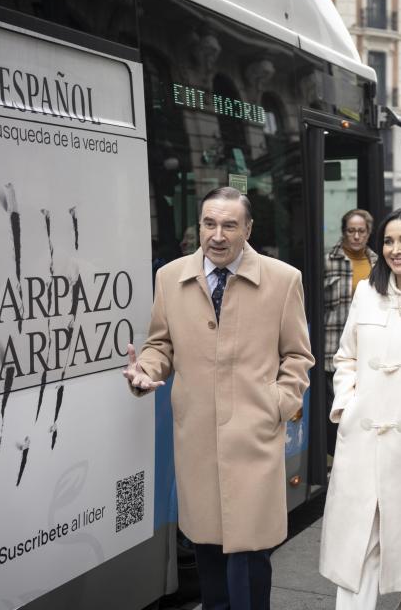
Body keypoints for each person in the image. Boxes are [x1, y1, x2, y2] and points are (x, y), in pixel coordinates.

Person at [124, 186, 314, 610]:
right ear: (199, 227)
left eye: (230, 225)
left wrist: (277, 405)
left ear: (248, 228)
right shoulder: (170, 278)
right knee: (207, 553)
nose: (218, 235)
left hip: (255, 438)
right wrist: (145, 372)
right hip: (198, 442)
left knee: (249, 560)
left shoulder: (284, 280)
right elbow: (160, 346)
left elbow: (299, 356)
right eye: (210, 223)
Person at [319, 207, 401, 610]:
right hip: (362, 442)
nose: (396, 249)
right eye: (389, 241)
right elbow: (345, 358)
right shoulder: (367, 293)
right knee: (357, 554)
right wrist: (348, 404)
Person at [323, 209, 377, 454]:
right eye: (351, 231)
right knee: (336, 408)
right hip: (332, 347)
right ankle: (334, 458)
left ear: (368, 233)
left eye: (361, 231)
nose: (356, 236)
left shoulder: (378, 263)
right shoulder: (327, 261)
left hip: (367, 349)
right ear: (344, 232)